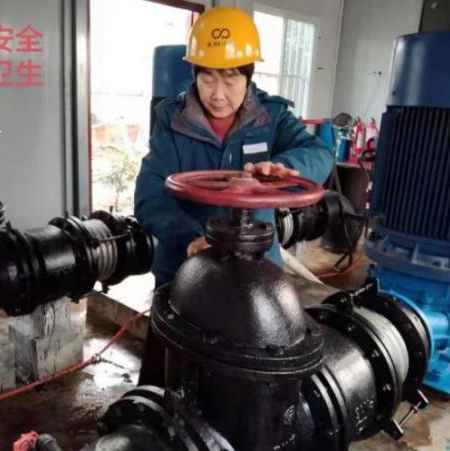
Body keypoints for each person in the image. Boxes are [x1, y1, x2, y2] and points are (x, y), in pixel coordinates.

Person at [135, 6, 334, 385]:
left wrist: (285, 167)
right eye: (207, 78)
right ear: (194, 74)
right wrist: (189, 240)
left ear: (249, 76)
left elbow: (320, 155)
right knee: (171, 374)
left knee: (247, 382)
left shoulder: (271, 118)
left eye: (230, 79)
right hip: (185, 270)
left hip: (255, 275)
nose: (218, 94)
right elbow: (149, 196)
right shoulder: (171, 121)